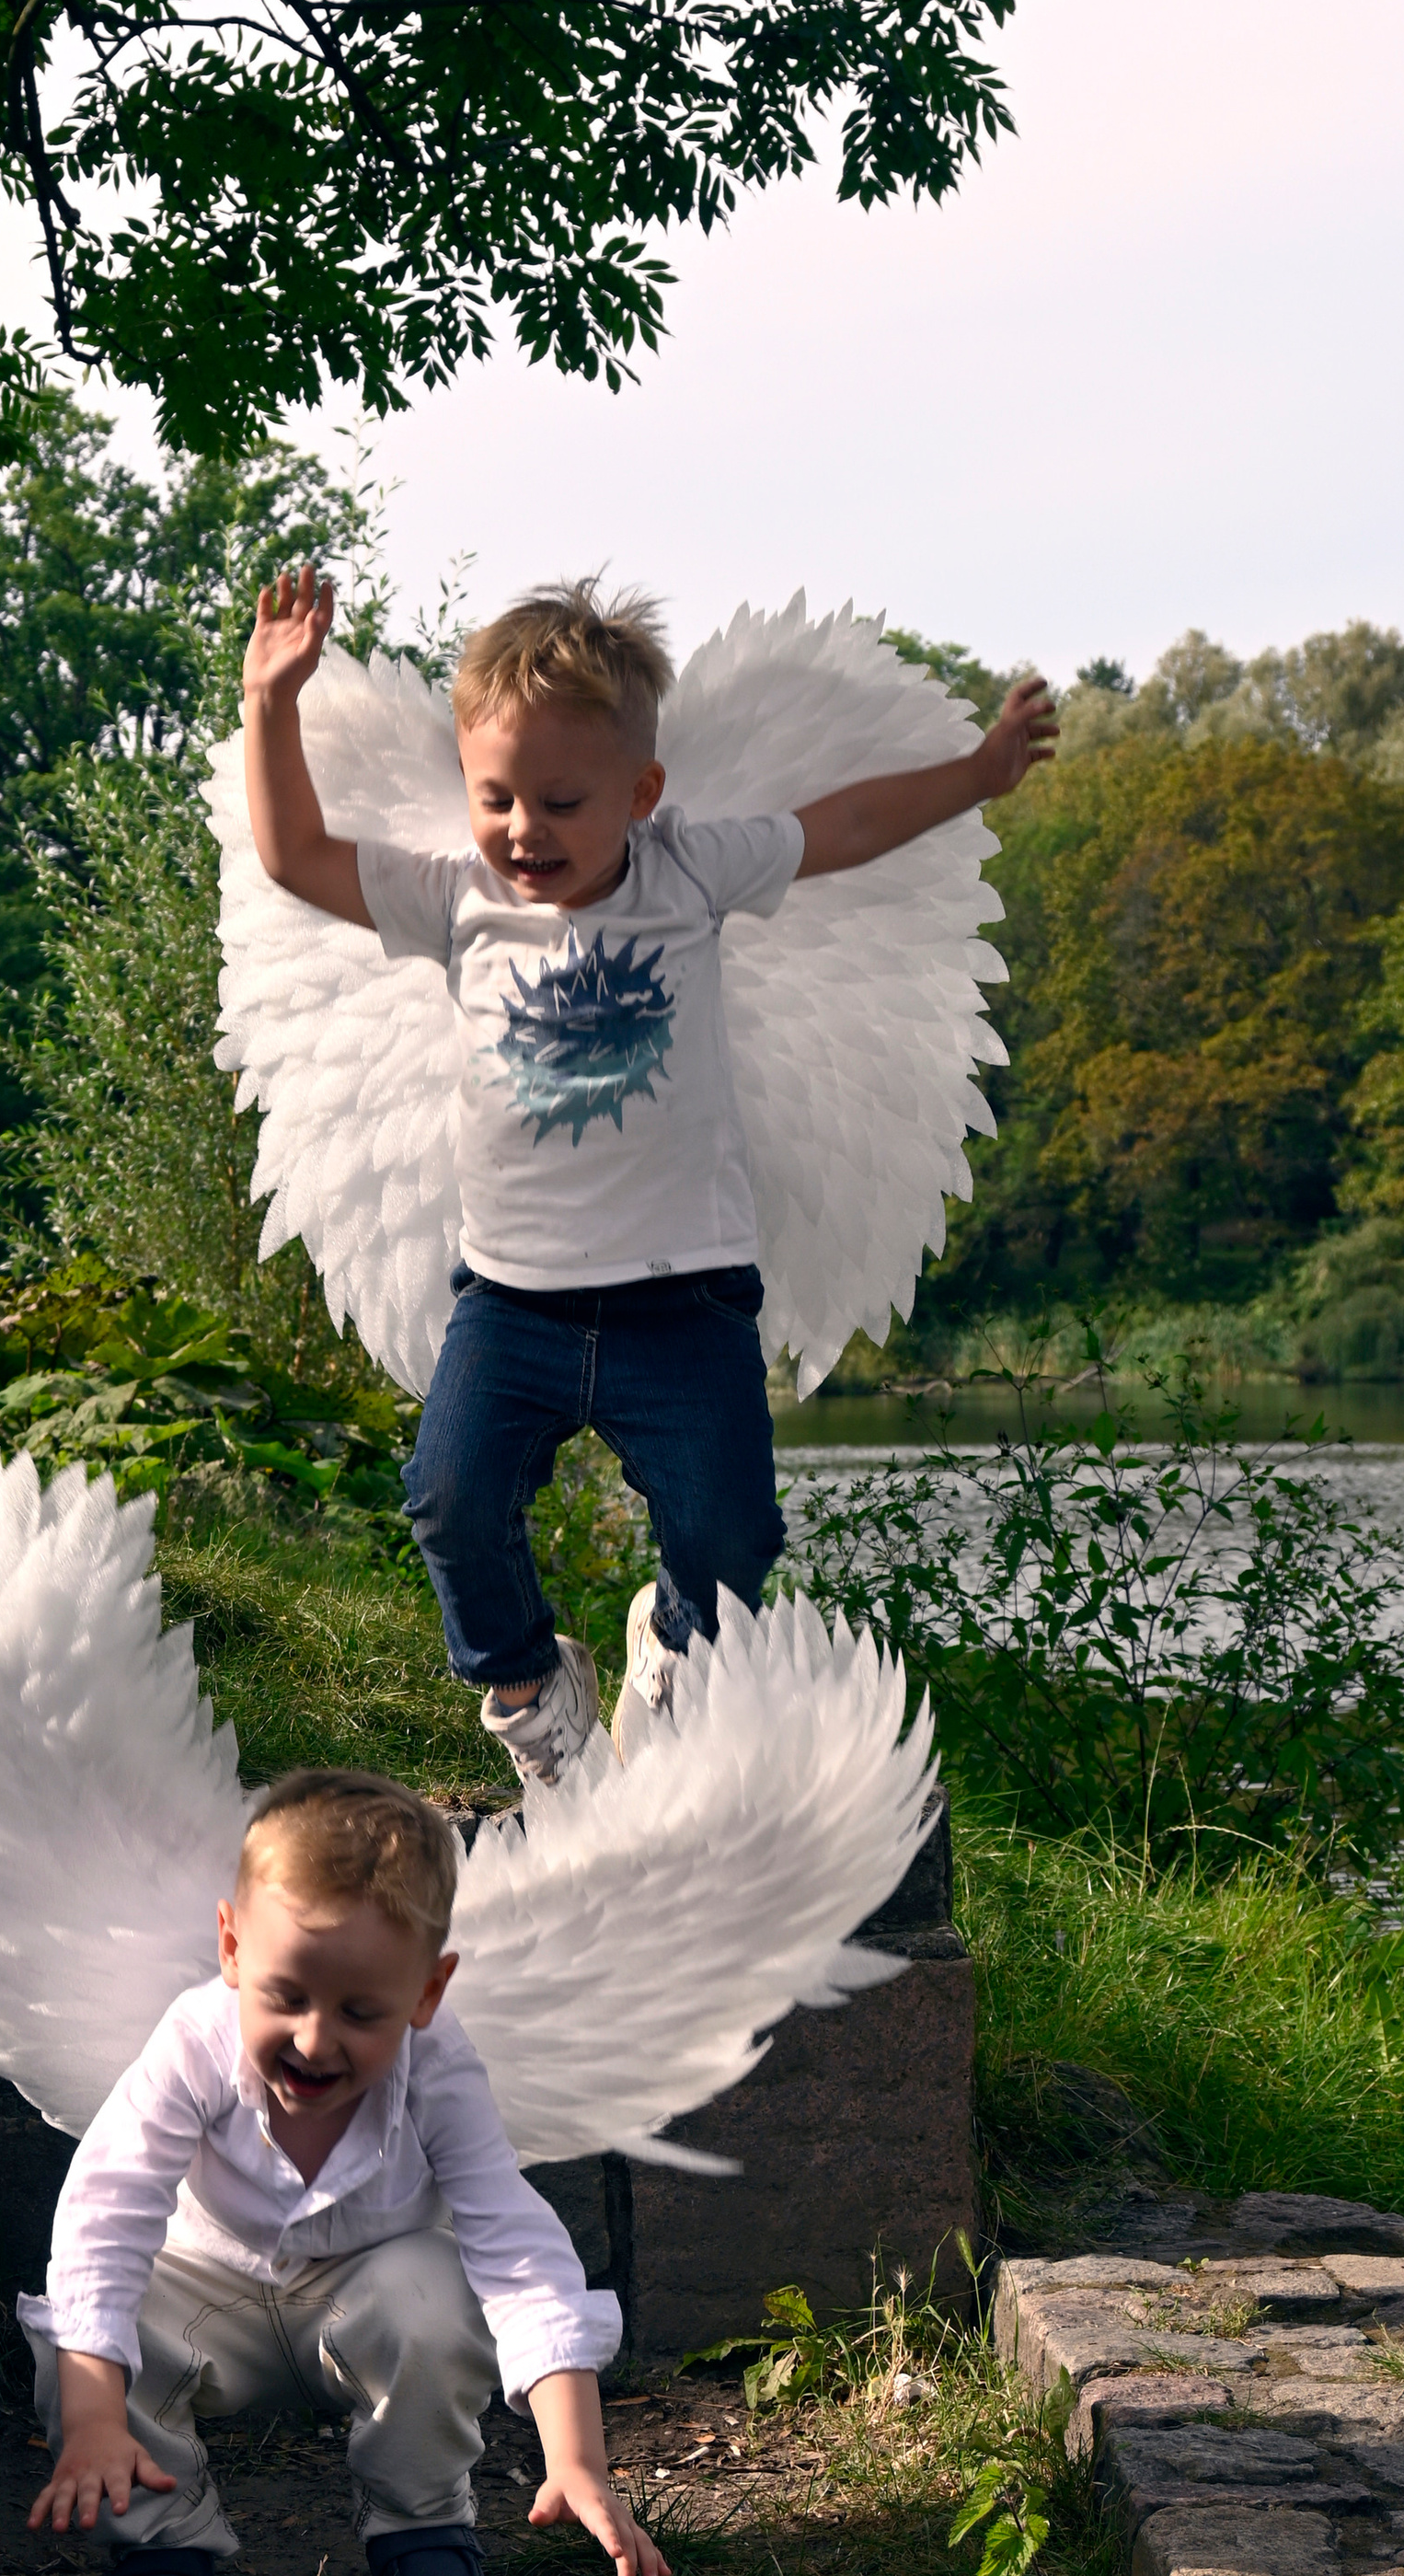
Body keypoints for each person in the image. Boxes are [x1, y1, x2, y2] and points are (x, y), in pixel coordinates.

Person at [241, 566, 1057, 1780]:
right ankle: (532, 1692)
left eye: (562, 802)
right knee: (449, 1501)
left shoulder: (689, 872)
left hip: (684, 1298)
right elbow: (296, 855)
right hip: (511, 1301)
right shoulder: (455, 899)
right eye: (497, 798)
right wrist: (270, 703)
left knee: (734, 1532)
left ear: (642, 793)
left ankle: (669, 1647)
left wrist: (979, 776)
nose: (525, 831)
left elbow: (845, 826)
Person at [21, 1766, 669, 2576]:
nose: (315, 2040)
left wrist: (578, 2455)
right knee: (88, 2332)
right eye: (286, 1997)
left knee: (440, 2294)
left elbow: (512, 2243)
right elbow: (108, 2207)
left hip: (365, 2304)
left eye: (362, 2012)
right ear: (232, 1947)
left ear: (428, 1993)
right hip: (211, 2299)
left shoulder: (438, 2067)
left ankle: (420, 2526)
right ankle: (159, 2541)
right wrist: (94, 2417)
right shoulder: (193, 2041)